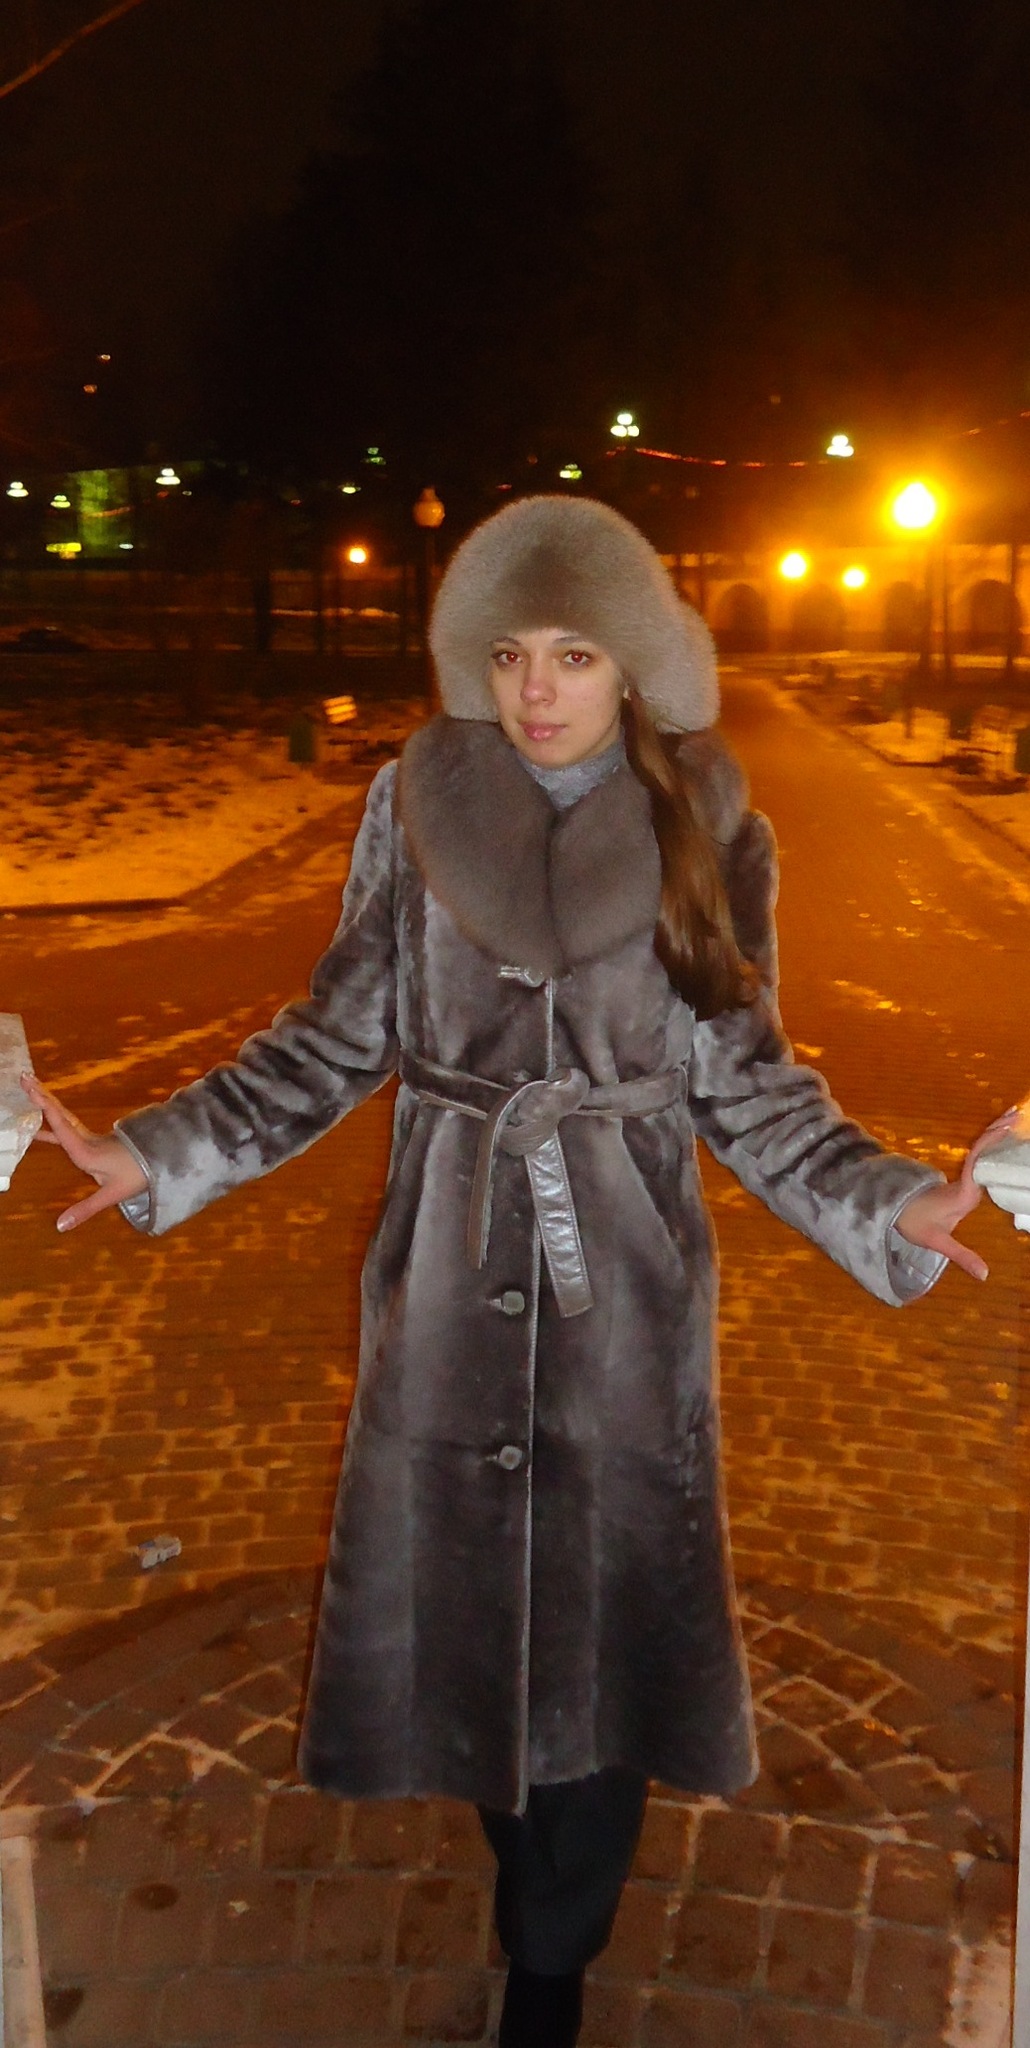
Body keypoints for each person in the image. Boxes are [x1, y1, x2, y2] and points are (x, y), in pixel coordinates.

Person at [22, 497, 1013, 2048]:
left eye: (572, 654)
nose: (535, 688)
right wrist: (157, 1153)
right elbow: (331, 1037)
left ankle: (552, 1968)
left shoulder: (704, 823)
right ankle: (522, 1882)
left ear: (632, 665)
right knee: (475, 1636)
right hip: (446, 1274)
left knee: (597, 1667)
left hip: (622, 1292)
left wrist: (893, 1205)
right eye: (507, 654)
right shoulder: (414, 807)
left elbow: (750, 1085)